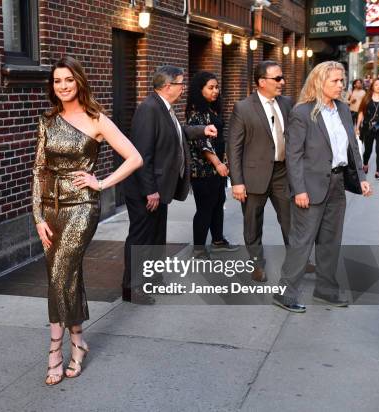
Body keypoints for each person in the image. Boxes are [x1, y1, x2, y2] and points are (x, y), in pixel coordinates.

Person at [32, 56, 142, 385]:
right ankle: (78, 342)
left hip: (82, 206)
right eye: (57, 81)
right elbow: (39, 171)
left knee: (59, 273)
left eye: (68, 79)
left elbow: (135, 157)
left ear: (79, 81)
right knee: (66, 274)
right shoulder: (48, 120)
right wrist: (37, 216)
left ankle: (54, 350)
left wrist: (101, 182)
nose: (62, 86)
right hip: (50, 207)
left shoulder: (96, 119)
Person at [273, 61, 372, 313]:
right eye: (336, 81)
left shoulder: (342, 108)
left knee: (331, 241)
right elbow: (293, 155)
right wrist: (300, 189)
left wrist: (360, 176)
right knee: (302, 242)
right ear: (320, 82)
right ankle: (285, 293)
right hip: (310, 185)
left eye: (342, 81)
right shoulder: (302, 112)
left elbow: (351, 146)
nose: (341, 85)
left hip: (337, 184)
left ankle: (326, 290)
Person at [121, 65, 217, 303]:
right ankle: (132, 289)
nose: (183, 88)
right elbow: (142, 154)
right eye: (180, 84)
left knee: (155, 239)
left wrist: (202, 130)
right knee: (141, 240)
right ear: (167, 86)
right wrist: (149, 190)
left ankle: (153, 282)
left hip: (160, 188)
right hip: (146, 190)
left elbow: (177, 131)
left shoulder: (164, 108)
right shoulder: (149, 109)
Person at [227, 61, 293, 282]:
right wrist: (237, 181)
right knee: (253, 223)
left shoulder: (287, 103)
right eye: (277, 78)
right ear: (262, 82)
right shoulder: (243, 108)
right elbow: (234, 148)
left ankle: (298, 262)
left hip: (283, 172)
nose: (282, 82)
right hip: (253, 176)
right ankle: (257, 264)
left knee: (290, 220)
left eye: (282, 78)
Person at [185, 71, 238, 259]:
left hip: (216, 168)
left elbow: (219, 139)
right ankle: (198, 249)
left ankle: (217, 240)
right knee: (205, 208)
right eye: (211, 87)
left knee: (218, 203)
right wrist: (217, 164)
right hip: (203, 170)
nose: (215, 91)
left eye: (217, 87)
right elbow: (202, 143)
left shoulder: (212, 109)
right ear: (200, 90)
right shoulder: (195, 112)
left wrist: (224, 161)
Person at [356, 78, 379, 179]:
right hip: (368, 127)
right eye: (376, 85)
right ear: (372, 86)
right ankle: (365, 163)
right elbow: (361, 113)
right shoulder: (367, 98)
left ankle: (378, 171)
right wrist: (357, 127)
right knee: (368, 150)